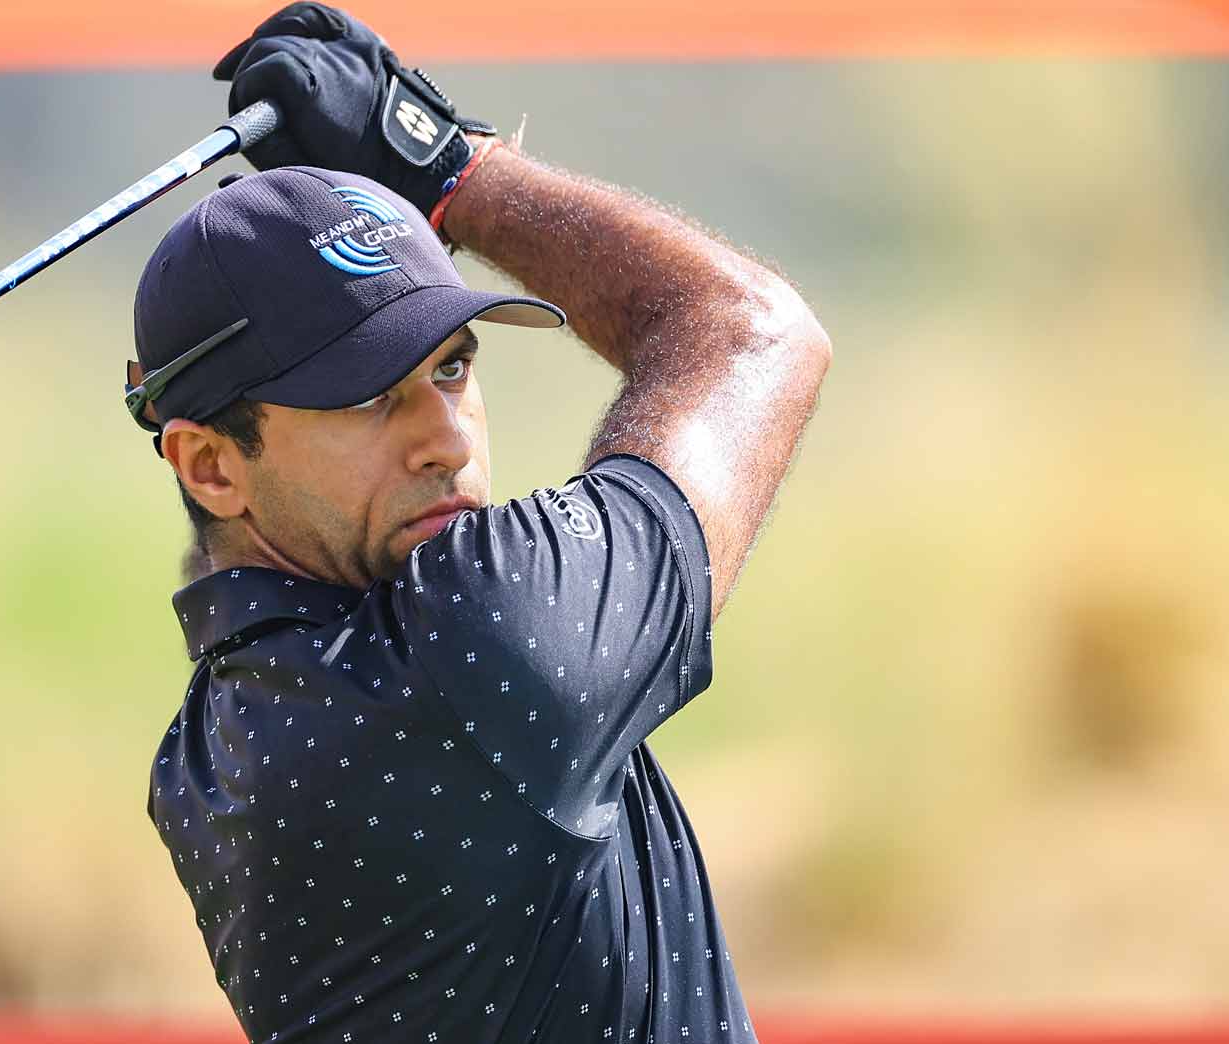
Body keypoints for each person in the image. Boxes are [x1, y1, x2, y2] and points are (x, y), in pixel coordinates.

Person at [129, 4, 831, 1040]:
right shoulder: (466, 650)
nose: (445, 438)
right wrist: (446, 164)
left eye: (451, 367)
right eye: (366, 394)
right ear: (211, 465)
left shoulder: (204, 752)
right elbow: (748, 334)